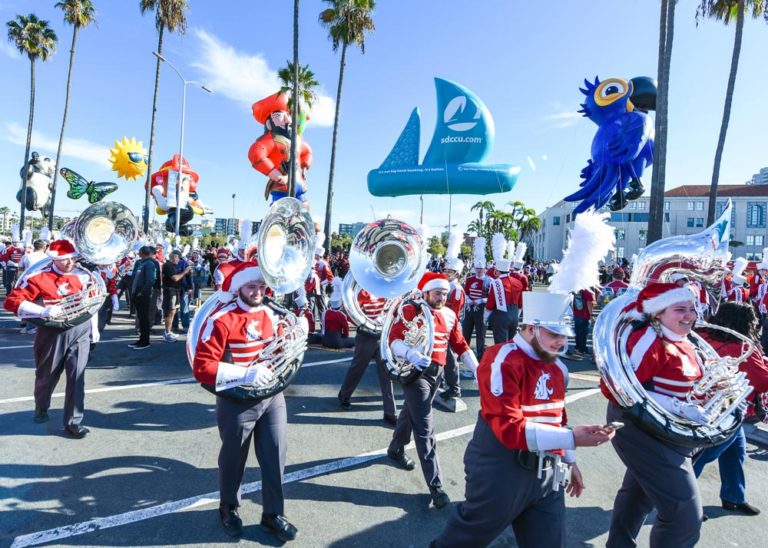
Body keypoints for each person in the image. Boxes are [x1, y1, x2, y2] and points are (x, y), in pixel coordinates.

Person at [433, 291, 616, 548]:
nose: (560, 342)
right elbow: (509, 429)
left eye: (564, 335)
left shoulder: (558, 368)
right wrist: (573, 438)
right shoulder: (502, 358)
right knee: (462, 541)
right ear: (531, 328)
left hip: (547, 473)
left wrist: (569, 458)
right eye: (554, 334)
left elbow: (556, 417)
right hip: (501, 470)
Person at [192, 261, 298, 542]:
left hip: (272, 395)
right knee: (233, 458)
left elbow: (285, 348)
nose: (258, 291)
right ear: (239, 287)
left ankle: (272, 514)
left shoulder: (273, 313)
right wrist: (247, 373)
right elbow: (202, 366)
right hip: (237, 399)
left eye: (262, 286)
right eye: (252, 286)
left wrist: (294, 337)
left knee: (276, 454)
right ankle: (228, 507)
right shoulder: (222, 318)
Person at [603, 282, 710, 548]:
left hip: (669, 432)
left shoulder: (685, 340)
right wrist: (677, 406)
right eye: (680, 309)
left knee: (638, 495)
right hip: (641, 429)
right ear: (658, 313)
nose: (689, 315)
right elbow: (616, 389)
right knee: (684, 513)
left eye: (691, 309)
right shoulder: (650, 339)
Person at [386, 272, 479, 508]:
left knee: (410, 411)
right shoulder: (411, 310)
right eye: (438, 293)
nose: (442, 297)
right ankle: (435, 485)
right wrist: (409, 354)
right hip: (414, 374)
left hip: (436, 373)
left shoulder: (449, 315)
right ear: (426, 292)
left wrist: (478, 370)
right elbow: (393, 340)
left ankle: (396, 448)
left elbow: (460, 345)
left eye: (445, 293)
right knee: (425, 427)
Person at [3, 239, 95, 438]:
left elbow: (93, 303)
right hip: (52, 331)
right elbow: (11, 302)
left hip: (80, 329)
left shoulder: (83, 274)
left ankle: (73, 422)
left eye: (71, 258)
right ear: (53, 258)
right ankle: (41, 407)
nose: (69, 263)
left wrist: (94, 331)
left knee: (77, 377)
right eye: (63, 260)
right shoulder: (39, 276)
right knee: (47, 375)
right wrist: (43, 310)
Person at [694, 301, 768, 516]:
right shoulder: (743, 346)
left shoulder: (703, 336)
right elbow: (763, 381)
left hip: (706, 401)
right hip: (729, 406)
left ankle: (733, 497)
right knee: (703, 456)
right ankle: (682, 503)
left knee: (735, 453)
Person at [337, 284, 397, 424]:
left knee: (387, 374)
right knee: (357, 369)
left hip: (383, 336)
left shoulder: (390, 291)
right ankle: (344, 396)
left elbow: (396, 311)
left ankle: (390, 412)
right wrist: (368, 320)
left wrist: (387, 317)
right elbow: (352, 315)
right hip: (366, 336)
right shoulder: (364, 292)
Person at [440, 255, 466, 400]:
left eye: (450, 271)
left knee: (449, 358)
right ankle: (441, 382)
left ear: (457, 273)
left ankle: (455, 387)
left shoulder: (456, 288)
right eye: (446, 270)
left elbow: (454, 313)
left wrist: (448, 327)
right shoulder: (445, 284)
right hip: (442, 323)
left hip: (451, 325)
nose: (446, 273)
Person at [484, 258, 524, 345]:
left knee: (501, 345)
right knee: (511, 344)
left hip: (501, 315)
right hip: (515, 314)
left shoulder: (496, 283)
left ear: (497, 271)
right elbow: (521, 304)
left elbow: (490, 303)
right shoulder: (518, 282)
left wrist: (485, 317)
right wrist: (517, 316)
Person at [130, 246, 159, 350]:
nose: (138, 253)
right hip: (137, 294)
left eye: (139, 252)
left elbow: (150, 280)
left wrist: (141, 293)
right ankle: (141, 339)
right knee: (141, 318)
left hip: (143, 295)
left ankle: (145, 341)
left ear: (142, 253)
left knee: (144, 318)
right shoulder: (142, 263)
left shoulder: (149, 264)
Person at [462, 254, 489, 360]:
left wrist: (481, 300)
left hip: (482, 310)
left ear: (485, 269)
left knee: (480, 333)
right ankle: (464, 354)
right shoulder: (469, 279)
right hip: (469, 309)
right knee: (466, 332)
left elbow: (491, 297)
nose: (479, 271)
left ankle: (480, 355)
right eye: (477, 268)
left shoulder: (489, 281)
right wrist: (468, 299)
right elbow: (466, 292)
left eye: (481, 269)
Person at [161, 250, 190, 342]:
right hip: (170, 291)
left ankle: (168, 331)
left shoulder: (172, 266)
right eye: (177, 258)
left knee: (173, 311)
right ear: (173, 257)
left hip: (175, 291)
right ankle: (167, 333)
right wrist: (185, 272)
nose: (178, 260)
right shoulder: (168, 266)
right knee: (170, 311)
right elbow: (175, 278)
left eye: (179, 258)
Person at [571, 287, 594, 357]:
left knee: (578, 332)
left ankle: (578, 348)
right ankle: (581, 349)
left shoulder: (576, 290)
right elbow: (589, 303)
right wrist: (591, 315)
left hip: (576, 314)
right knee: (583, 333)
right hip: (584, 315)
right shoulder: (587, 291)